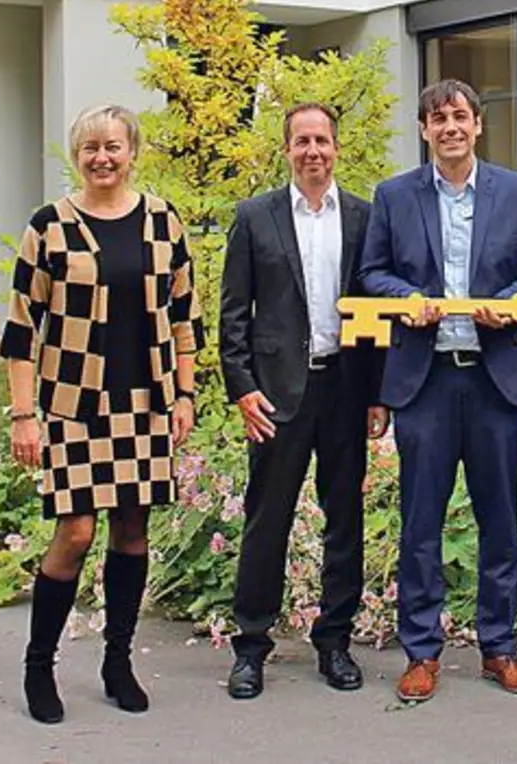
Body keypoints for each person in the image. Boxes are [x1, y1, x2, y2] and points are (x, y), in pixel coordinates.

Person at [2, 103, 204, 723]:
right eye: (90, 148)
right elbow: (20, 329)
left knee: (132, 529)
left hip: (144, 401)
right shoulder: (50, 227)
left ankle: (118, 662)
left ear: (132, 151)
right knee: (76, 532)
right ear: (77, 156)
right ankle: (40, 666)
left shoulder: (163, 222)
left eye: (113, 146)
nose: (102, 158)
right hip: (74, 407)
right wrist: (23, 415)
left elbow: (185, 318)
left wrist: (185, 395)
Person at [358, 79, 517, 703]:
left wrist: (511, 303)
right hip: (425, 381)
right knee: (421, 521)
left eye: (460, 116)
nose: (450, 127)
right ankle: (421, 652)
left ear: (477, 125)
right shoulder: (394, 196)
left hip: (495, 378)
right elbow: (371, 272)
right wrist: (407, 299)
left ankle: (500, 647)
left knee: (501, 518)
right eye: (438, 118)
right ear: (424, 130)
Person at [218, 102, 388, 698]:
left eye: (322, 140)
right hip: (276, 392)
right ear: (287, 149)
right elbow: (233, 314)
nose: (313, 150)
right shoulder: (255, 217)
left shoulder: (365, 217)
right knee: (268, 520)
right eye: (302, 141)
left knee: (346, 520)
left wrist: (377, 394)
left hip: (345, 387)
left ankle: (334, 642)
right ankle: (251, 646)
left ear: (336, 147)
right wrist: (243, 388)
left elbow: (376, 311)